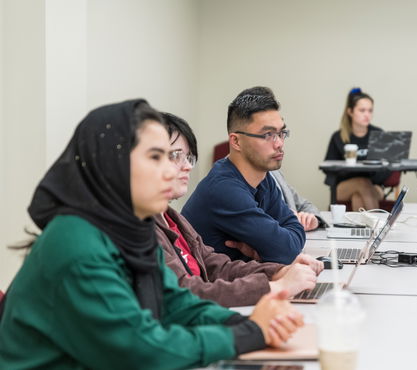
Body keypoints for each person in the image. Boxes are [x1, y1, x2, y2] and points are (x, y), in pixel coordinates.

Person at [0, 100, 303, 369]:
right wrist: (251, 333)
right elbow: (141, 351)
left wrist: (252, 323)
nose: (172, 171)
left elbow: (176, 303)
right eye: (156, 157)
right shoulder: (76, 242)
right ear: (112, 164)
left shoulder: (130, 230)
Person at [155, 112, 322, 307]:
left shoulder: (171, 217)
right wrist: (275, 287)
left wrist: (277, 272)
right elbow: (185, 291)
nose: (187, 167)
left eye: (188, 158)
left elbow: (216, 266)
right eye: (175, 156)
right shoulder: (140, 229)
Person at [182, 87, 304, 264]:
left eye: (281, 133)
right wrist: (270, 250)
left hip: (242, 280)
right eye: (268, 135)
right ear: (236, 141)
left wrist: (267, 250)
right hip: (211, 288)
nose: (279, 144)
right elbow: (287, 250)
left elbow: (293, 230)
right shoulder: (224, 189)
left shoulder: (264, 178)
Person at [324, 87, 391, 210]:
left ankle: (365, 229)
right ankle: (379, 227)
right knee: (361, 182)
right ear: (350, 111)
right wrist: (351, 170)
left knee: (358, 196)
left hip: (374, 186)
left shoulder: (378, 134)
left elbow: (387, 168)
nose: (367, 115)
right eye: (362, 110)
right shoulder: (338, 137)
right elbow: (328, 168)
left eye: (370, 111)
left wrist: (372, 175)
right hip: (343, 187)